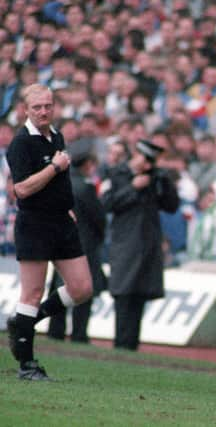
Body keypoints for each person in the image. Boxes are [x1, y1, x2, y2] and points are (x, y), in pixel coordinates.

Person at [5, 83, 93, 380]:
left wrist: (66, 204)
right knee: (31, 291)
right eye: (37, 107)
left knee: (82, 288)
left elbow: (58, 181)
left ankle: (24, 324)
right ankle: (27, 365)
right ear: (25, 110)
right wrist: (54, 168)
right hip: (35, 224)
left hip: (61, 222)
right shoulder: (21, 143)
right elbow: (21, 189)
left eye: (48, 105)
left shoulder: (56, 135)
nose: (44, 111)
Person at [101, 139, 179, 351]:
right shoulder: (117, 174)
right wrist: (132, 188)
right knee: (124, 294)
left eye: (151, 161)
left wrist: (165, 182)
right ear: (136, 155)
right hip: (125, 244)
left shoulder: (155, 177)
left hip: (148, 246)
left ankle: (132, 345)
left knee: (140, 295)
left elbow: (172, 206)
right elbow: (107, 204)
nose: (147, 165)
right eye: (145, 159)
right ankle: (121, 344)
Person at [47, 139, 107, 343]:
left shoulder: (59, 183)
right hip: (83, 246)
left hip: (60, 243)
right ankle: (79, 334)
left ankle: (55, 331)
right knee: (83, 291)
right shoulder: (85, 188)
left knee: (60, 287)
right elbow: (100, 219)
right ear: (88, 163)